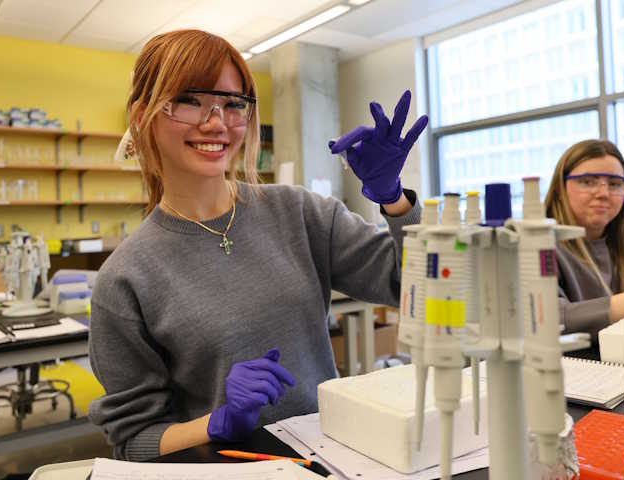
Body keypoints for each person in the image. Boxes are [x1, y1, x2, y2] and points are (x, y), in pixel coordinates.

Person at [87, 29, 429, 462]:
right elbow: (134, 441)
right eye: (190, 100)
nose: (216, 122)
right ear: (142, 113)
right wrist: (218, 422)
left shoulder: (300, 213)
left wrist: (394, 200)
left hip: (332, 460)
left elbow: (413, 287)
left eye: (233, 104)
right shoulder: (125, 278)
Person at [543, 139, 624, 336]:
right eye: (587, 182)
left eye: (615, 184)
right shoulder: (539, 245)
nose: (603, 193)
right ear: (560, 189)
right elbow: (544, 317)